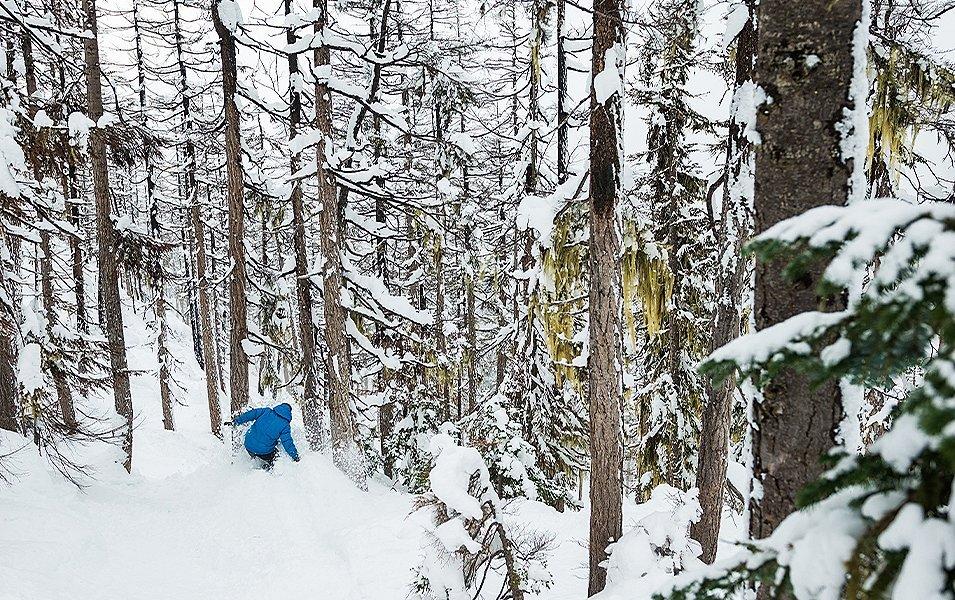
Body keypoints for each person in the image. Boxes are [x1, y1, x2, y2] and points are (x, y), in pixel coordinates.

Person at [227, 403, 300, 469]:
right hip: (263, 453)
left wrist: (236, 422)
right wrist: (295, 456)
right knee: (277, 455)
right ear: (289, 413)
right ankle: (268, 469)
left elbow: (250, 415)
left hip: (248, 445)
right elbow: (288, 443)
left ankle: (253, 459)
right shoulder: (285, 426)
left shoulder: (266, 411)